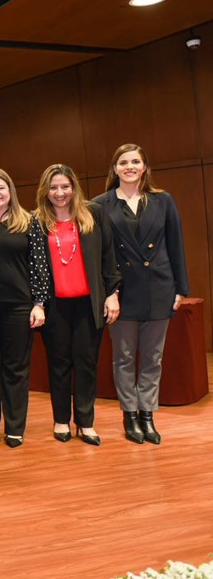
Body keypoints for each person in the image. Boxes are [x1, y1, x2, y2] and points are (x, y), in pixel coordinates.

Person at [93, 144, 188, 445]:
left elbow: (176, 246)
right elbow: (100, 255)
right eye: (123, 162)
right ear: (115, 168)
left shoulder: (163, 201)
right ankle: (129, 414)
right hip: (122, 292)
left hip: (159, 287)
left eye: (136, 161)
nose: (130, 166)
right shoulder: (100, 204)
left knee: (152, 357)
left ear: (145, 167)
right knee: (122, 357)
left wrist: (181, 288)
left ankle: (148, 414)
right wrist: (109, 292)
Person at [35, 164, 121, 446]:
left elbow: (109, 255)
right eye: (54, 187)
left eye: (65, 187)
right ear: (45, 191)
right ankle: (61, 420)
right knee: (59, 363)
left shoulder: (94, 214)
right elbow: (32, 268)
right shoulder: (37, 221)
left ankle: (85, 422)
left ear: (74, 187)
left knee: (86, 363)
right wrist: (36, 303)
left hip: (88, 303)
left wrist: (112, 293)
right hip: (55, 306)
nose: (60, 193)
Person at [0, 167, 50, 448]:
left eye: (0, 188)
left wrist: (39, 304)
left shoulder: (29, 221)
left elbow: (40, 266)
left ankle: (15, 427)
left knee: (16, 369)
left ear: (10, 191)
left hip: (19, 307)